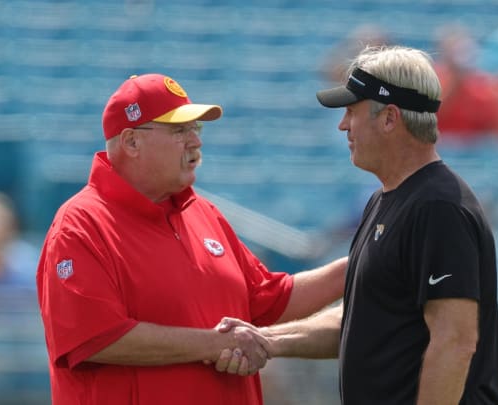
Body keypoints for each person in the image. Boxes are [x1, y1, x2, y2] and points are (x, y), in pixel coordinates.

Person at [35, 73, 347, 405]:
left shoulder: (203, 213)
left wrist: (358, 265)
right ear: (131, 142)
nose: (195, 141)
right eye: (179, 130)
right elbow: (97, 337)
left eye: (196, 129)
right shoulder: (80, 224)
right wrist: (216, 344)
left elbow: (267, 299)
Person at [217, 45, 498, 404]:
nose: (342, 124)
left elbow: (455, 341)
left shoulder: (438, 207)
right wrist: (270, 340)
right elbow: (363, 319)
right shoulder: (387, 200)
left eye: (352, 111)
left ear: (390, 118)